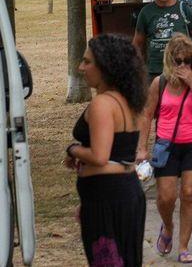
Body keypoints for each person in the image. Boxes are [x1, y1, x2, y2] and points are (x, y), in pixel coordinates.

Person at [67, 35, 147, 266]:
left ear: (106, 66)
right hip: (120, 193)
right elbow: (120, 152)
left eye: (87, 62)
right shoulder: (127, 101)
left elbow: (100, 157)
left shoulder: (103, 104)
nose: (81, 67)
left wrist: (73, 149)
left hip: (108, 198)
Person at [140, 34, 192, 263]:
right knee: (166, 197)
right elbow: (146, 114)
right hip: (167, 145)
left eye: (187, 61)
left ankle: (183, 246)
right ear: (169, 61)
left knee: (189, 193)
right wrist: (142, 148)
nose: (182, 66)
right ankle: (168, 227)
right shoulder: (159, 83)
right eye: (177, 61)